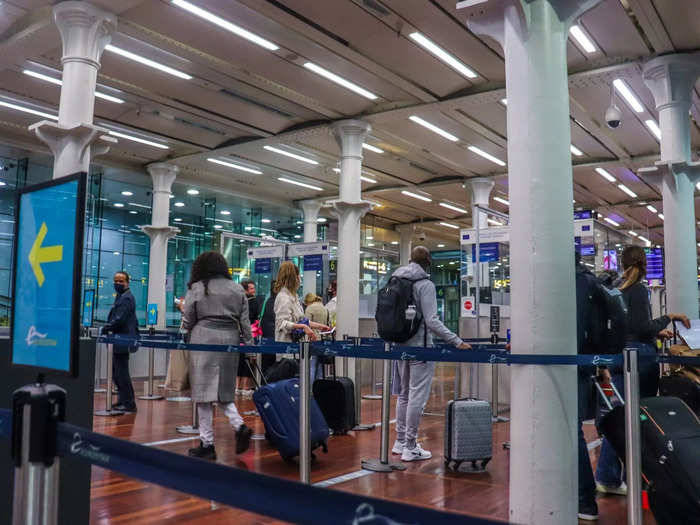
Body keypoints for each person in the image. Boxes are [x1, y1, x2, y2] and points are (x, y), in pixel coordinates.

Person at [594, 245, 690, 495]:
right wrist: (669, 317)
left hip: (619, 356)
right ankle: (622, 477)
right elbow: (643, 327)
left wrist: (655, 330)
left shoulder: (617, 289)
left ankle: (611, 477)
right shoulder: (638, 290)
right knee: (637, 418)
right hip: (640, 359)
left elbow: (628, 327)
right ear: (644, 263)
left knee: (620, 416)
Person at [389, 246, 471, 461]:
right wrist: (456, 340)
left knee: (404, 394)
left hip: (399, 344)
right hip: (420, 347)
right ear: (428, 263)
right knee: (417, 395)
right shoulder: (425, 285)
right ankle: (410, 445)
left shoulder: (396, 279)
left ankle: (399, 442)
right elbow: (432, 321)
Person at [183, 251, 253, 460]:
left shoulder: (198, 287)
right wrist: (248, 348)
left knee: (203, 394)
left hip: (203, 339)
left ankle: (207, 443)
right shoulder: (236, 288)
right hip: (230, 341)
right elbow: (245, 323)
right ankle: (239, 425)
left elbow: (188, 318)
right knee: (223, 390)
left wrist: (185, 335)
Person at [103, 271, 139, 414]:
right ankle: (122, 400)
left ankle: (129, 404)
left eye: (121, 281)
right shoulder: (121, 296)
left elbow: (119, 319)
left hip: (123, 340)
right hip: (117, 340)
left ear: (127, 283)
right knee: (116, 373)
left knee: (121, 373)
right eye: (116, 281)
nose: (117, 283)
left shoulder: (127, 298)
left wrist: (105, 328)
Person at [274, 261, 329, 343]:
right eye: (298, 276)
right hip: (287, 349)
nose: (300, 279)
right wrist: (303, 327)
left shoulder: (293, 297)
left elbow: (302, 321)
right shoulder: (283, 298)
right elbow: (281, 323)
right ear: (292, 278)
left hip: (297, 347)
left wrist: (320, 326)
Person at [237, 279, 260, 397]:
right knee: (248, 358)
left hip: (237, 334)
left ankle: (238, 386)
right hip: (250, 333)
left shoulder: (237, 300)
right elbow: (255, 318)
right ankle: (246, 386)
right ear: (246, 290)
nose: (254, 290)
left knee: (239, 359)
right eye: (251, 288)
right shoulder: (254, 302)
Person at [304, 293, 331, 382]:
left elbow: (305, 323)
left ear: (308, 301)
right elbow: (328, 324)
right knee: (320, 367)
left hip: (312, 340)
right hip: (322, 341)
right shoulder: (325, 309)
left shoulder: (310, 308)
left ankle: (309, 391)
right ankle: (319, 391)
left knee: (311, 367)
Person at [259, 280, 278, 374]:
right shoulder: (279, 303)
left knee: (266, 365)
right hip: (276, 338)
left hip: (265, 337)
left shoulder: (265, 302)